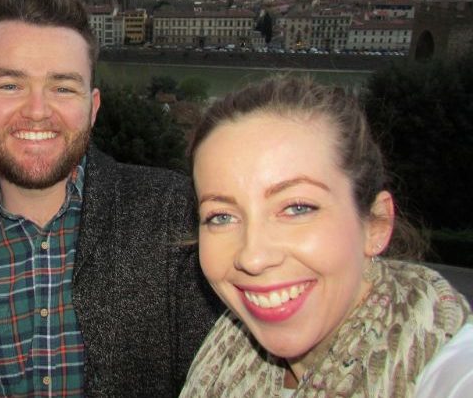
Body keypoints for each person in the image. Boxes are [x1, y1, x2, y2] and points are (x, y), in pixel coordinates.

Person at [0, 0, 221, 398]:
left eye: (63, 87)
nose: (37, 111)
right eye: (10, 85)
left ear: (93, 107)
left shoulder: (172, 216)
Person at [180, 76, 473, 397]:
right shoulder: (221, 360)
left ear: (376, 225)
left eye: (297, 208)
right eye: (221, 216)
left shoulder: (452, 370)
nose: (253, 256)